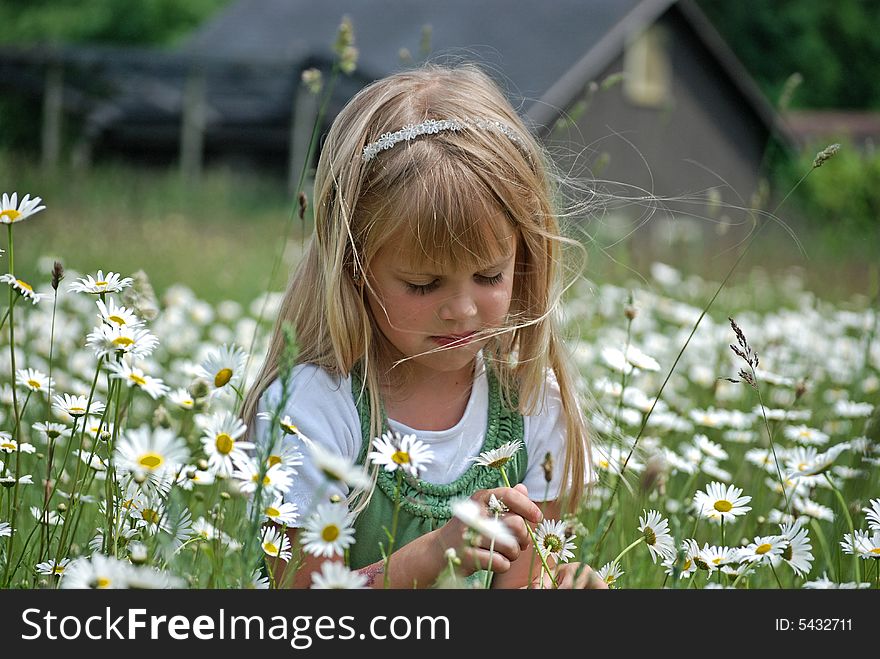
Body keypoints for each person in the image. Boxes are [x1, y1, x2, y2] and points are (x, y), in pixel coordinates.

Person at [242, 64, 604, 589]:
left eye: (488, 275)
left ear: (524, 258)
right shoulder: (312, 411)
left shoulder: (532, 407)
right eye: (422, 284)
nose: (461, 310)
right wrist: (433, 554)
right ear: (352, 268)